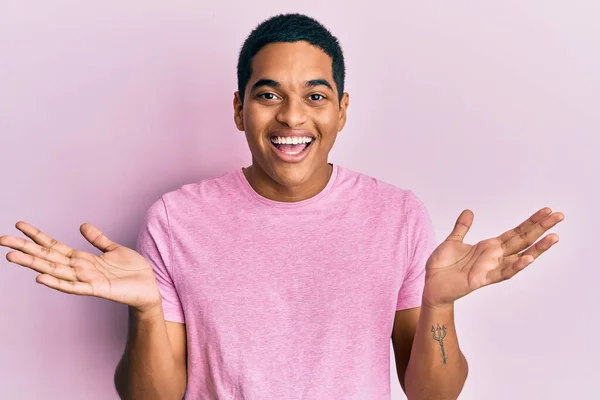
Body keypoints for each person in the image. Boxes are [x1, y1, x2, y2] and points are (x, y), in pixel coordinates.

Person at [0, 13, 564, 400]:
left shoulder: (398, 215)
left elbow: (430, 394)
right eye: (268, 95)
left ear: (341, 110)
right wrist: (147, 311)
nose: (292, 118)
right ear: (240, 109)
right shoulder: (175, 219)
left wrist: (438, 304)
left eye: (315, 96)